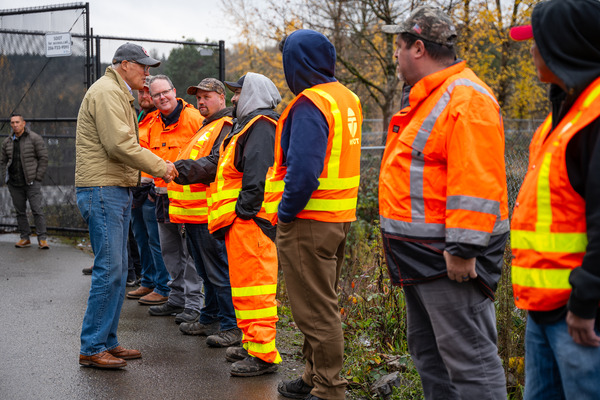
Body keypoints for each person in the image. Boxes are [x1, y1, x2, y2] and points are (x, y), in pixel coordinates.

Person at [379, 7, 509, 399]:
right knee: (430, 358)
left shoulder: (466, 99)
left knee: (470, 364)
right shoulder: (430, 98)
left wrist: (463, 248)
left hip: (449, 263)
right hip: (423, 259)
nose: (395, 57)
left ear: (418, 48)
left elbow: (478, 180)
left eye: (398, 47)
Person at [264, 30, 363, 400]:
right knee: (320, 300)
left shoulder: (310, 104)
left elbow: (304, 171)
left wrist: (286, 213)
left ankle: (329, 388)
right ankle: (312, 376)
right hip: (337, 217)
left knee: (314, 310)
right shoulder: (347, 98)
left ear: (297, 63)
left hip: (308, 219)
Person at [508, 1, 600, 398]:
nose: (531, 52)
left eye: (538, 43)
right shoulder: (563, 113)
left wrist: (586, 300)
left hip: (582, 317)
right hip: (545, 310)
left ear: (565, 46)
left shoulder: (592, 117)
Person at [75, 42, 177, 369]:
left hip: (114, 189)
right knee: (111, 270)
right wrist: (162, 167)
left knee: (117, 271)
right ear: (124, 65)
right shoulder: (106, 92)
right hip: (103, 189)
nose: (148, 73)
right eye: (143, 66)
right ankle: (92, 347)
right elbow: (119, 144)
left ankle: (107, 341)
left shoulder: (118, 93)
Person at [175, 72, 282, 377]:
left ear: (254, 94)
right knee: (245, 289)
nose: (234, 98)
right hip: (243, 223)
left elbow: (257, 177)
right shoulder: (248, 126)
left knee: (256, 290)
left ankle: (263, 356)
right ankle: (252, 345)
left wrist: (244, 213)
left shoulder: (261, 126)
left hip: (251, 223)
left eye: (238, 93)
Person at [169, 78, 240, 347]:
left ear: (221, 97)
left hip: (209, 213)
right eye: (198, 98)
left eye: (207, 96)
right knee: (206, 272)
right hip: (195, 214)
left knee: (218, 273)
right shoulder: (207, 127)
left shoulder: (225, 125)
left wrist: (179, 169)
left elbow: (215, 164)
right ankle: (210, 316)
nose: (201, 101)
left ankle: (231, 326)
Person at [144, 74, 206, 325]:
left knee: (190, 253)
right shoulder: (152, 123)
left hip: (191, 198)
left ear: (174, 91)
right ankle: (177, 297)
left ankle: (194, 304)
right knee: (170, 251)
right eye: (156, 95)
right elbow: (148, 157)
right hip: (162, 197)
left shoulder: (194, 119)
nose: (161, 98)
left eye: (165, 92)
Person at [126, 76, 171, 306]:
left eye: (148, 93)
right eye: (141, 93)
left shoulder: (159, 119)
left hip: (153, 188)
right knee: (141, 238)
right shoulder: (140, 118)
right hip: (137, 187)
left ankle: (163, 286)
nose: (144, 97)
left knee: (157, 241)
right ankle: (149, 280)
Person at [1, 114, 49, 249]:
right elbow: (2, 161)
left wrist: (38, 177)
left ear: (23, 123)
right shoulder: (7, 142)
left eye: (17, 122)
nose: (15, 125)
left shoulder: (34, 138)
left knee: (37, 209)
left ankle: (42, 239)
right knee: (20, 212)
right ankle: (25, 237)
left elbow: (43, 158)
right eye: (12, 123)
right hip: (14, 183)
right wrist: (5, 178)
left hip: (31, 182)